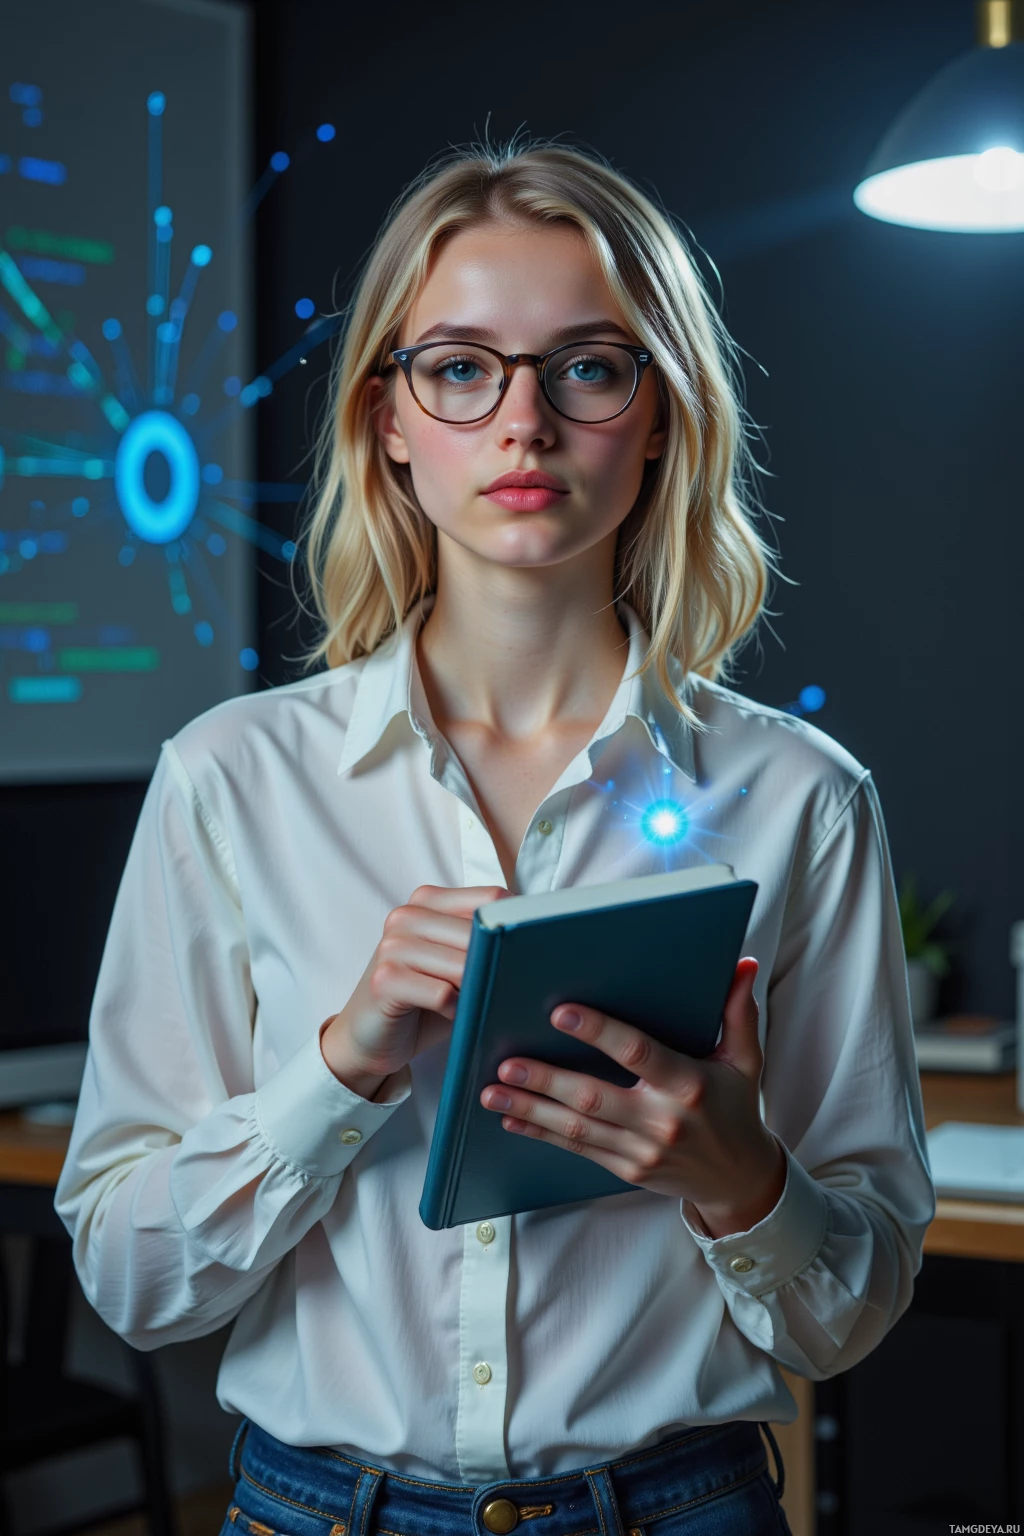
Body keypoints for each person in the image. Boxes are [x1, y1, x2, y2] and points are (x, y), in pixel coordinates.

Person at [55, 139, 935, 1536]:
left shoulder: (804, 798)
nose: (523, 423)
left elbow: (854, 1314)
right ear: (390, 422)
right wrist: (337, 1066)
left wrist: (737, 1176)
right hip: (308, 1514)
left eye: (587, 365)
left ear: (659, 417)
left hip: (680, 1509)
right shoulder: (232, 778)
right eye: (462, 367)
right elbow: (132, 1280)